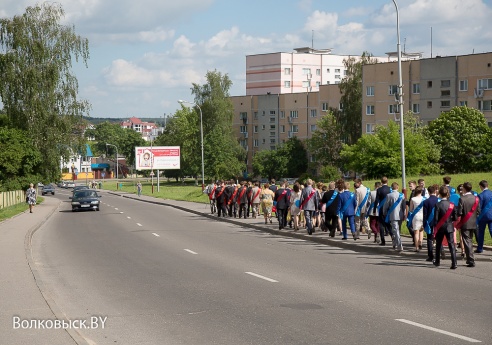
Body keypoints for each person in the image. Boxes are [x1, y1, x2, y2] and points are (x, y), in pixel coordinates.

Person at [433, 185, 458, 269]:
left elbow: (435, 219)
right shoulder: (452, 204)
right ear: (448, 194)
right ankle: (454, 263)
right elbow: (455, 217)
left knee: (438, 245)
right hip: (449, 226)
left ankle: (437, 261)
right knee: (451, 245)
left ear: (439, 193)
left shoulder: (438, 205)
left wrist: (435, 227)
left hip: (440, 227)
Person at [457, 182, 479, 267]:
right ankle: (470, 258)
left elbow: (459, 212)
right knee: (469, 240)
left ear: (465, 189)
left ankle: (470, 259)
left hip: (465, 223)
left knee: (467, 241)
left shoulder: (462, 199)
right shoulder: (476, 198)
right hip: (473, 222)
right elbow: (478, 211)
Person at [382, 182, 405, 251]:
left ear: (391, 188)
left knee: (395, 230)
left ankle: (399, 245)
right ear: (397, 187)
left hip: (393, 215)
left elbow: (385, 206)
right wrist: (404, 214)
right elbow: (403, 206)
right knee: (397, 230)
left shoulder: (389, 195)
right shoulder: (402, 195)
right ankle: (395, 243)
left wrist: (384, 212)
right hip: (400, 215)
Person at [373, 176, 392, 246]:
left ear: (381, 182)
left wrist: (374, 209)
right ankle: (393, 237)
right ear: (387, 181)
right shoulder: (390, 189)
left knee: (381, 225)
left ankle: (383, 241)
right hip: (389, 209)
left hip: (381, 208)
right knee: (388, 224)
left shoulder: (379, 190)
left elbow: (376, 200)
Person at [476, 180, 492, 254]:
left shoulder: (480, 195)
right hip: (491, 215)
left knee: (481, 233)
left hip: (483, 216)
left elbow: (479, 207)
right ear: (487, 185)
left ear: (481, 186)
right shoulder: (491, 193)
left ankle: (480, 248)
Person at [408, 186, 425, 252]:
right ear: (421, 191)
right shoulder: (425, 199)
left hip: (416, 216)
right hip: (423, 215)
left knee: (416, 232)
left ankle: (416, 247)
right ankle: (420, 243)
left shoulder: (413, 199)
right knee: (421, 230)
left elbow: (411, 209)